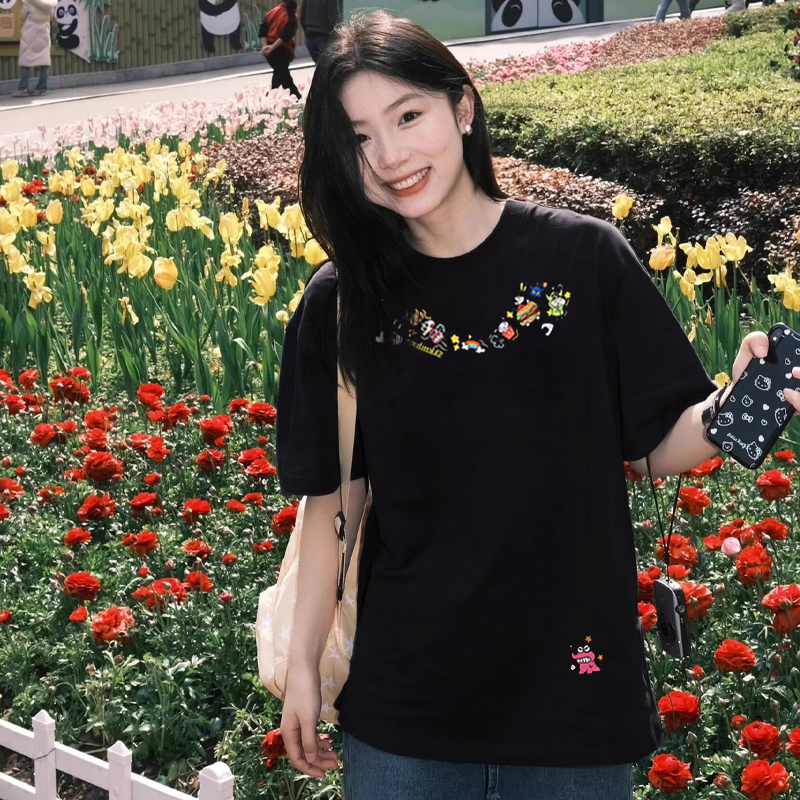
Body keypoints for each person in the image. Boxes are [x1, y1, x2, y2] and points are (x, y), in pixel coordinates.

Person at [275, 10, 797, 799]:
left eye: (408, 116)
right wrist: (303, 670)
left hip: (572, 708)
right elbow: (333, 509)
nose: (390, 156)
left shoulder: (583, 259)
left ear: (462, 106)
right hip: (406, 711)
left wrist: (733, 407)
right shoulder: (344, 301)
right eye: (358, 138)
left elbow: (654, 442)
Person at [13, 0, 57, 97]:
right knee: (44, 60)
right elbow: (51, 17)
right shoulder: (50, 4)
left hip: (30, 31)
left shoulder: (29, 2)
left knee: (25, 59)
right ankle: (42, 87)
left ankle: (23, 87)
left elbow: (23, 15)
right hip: (44, 31)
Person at [260, 0, 301, 100]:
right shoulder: (291, 16)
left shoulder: (272, 12)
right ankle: (294, 97)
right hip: (283, 50)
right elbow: (285, 36)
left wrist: (265, 46)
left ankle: (271, 97)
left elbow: (263, 30)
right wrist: (272, 47)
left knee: (280, 74)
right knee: (283, 75)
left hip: (270, 51)